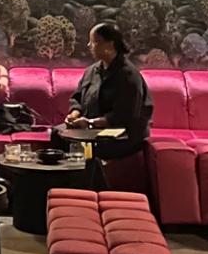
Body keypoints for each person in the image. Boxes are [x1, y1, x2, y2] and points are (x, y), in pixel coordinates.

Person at [63, 22, 150, 161]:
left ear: (109, 44)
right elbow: (77, 97)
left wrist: (91, 122)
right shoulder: (92, 71)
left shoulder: (128, 76)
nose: (89, 46)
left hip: (122, 134)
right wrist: (74, 114)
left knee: (92, 147)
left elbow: (124, 115)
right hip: (89, 128)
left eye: (93, 42)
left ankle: (91, 181)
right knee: (57, 134)